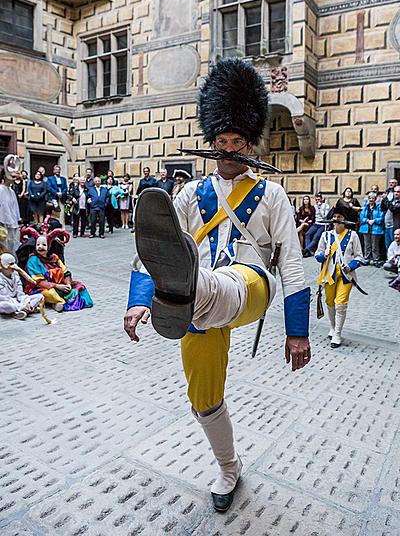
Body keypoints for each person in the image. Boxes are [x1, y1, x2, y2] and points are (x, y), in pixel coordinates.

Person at [124, 58, 311, 513]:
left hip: (251, 286)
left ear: (249, 144)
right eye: (222, 141)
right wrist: (136, 301)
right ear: (212, 143)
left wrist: (298, 330)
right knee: (203, 398)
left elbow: (294, 265)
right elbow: (145, 253)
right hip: (193, 308)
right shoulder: (188, 196)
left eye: (237, 141)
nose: (228, 149)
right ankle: (228, 466)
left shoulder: (272, 195)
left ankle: (184, 288)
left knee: (219, 283)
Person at [315, 206, 363, 349]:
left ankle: (337, 334)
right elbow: (317, 253)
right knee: (330, 302)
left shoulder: (353, 235)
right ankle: (332, 327)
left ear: (345, 220)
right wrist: (323, 255)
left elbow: (359, 256)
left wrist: (351, 266)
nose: (336, 220)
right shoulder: (326, 235)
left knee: (340, 304)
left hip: (346, 276)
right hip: (329, 275)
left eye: (339, 217)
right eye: (335, 217)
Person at [22, 227, 93, 312]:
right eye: (38, 245)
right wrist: (57, 286)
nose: (40, 247)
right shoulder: (33, 260)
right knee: (50, 293)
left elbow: (66, 272)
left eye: (44, 245)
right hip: (42, 288)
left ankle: (56, 303)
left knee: (80, 287)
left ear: (49, 246)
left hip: (61, 285)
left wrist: (68, 284)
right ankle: (57, 302)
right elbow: (38, 282)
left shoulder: (54, 258)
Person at [0, 252, 43, 320]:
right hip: (7, 301)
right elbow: (5, 298)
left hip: (18, 300)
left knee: (40, 296)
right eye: (10, 264)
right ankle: (22, 310)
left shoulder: (16, 274)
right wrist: (21, 306)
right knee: (7, 306)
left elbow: (20, 294)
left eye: (14, 263)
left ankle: (21, 311)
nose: (14, 267)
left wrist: (26, 302)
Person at [0, 156, 21, 254]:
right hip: (3, 223)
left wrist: (17, 219)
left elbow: (14, 207)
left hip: (12, 223)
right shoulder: (0, 189)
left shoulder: (12, 191)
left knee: (12, 245)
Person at [359, 192, 384, 266]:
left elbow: (381, 217)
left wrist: (374, 220)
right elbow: (361, 217)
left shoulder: (379, 207)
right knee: (367, 245)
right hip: (366, 228)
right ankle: (367, 258)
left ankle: (375, 259)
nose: (371, 200)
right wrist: (367, 220)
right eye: (370, 198)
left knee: (375, 245)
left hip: (376, 228)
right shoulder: (365, 208)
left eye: (373, 198)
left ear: (375, 199)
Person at [380, 178, 398, 251]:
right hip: (386, 223)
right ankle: (389, 259)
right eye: (390, 182)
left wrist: (385, 199)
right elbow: (383, 208)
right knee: (387, 244)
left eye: (393, 183)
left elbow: (392, 208)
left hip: (394, 224)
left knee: (394, 243)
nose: (391, 184)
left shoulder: (397, 198)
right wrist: (383, 200)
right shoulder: (388, 193)